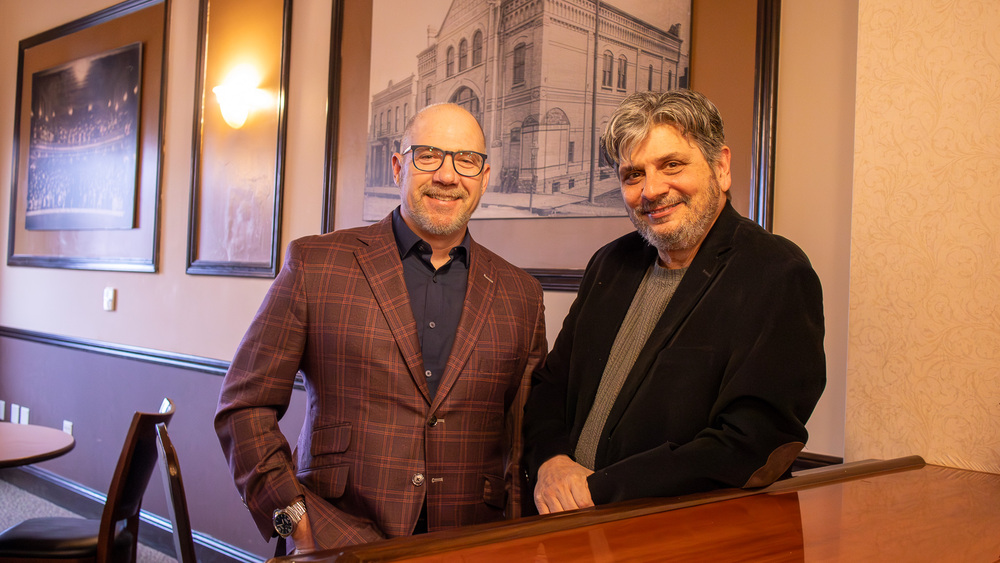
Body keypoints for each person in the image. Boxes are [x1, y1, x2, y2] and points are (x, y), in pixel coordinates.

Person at [216, 103, 546, 553]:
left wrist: (518, 544)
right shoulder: (317, 264)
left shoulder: (521, 295)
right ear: (398, 167)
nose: (447, 175)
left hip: (468, 544)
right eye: (428, 155)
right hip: (336, 541)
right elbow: (244, 405)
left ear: (484, 177)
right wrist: (295, 520)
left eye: (466, 160)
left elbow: (522, 444)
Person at [522, 90, 826, 514]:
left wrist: (598, 490)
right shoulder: (610, 263)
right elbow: (552, 387)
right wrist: (551, 462)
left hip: (688, 529)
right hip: (571, 523)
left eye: (671, 165)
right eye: (633, 174)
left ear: (721, 167)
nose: (651, 190)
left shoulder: (776, 273)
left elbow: (753, 440)